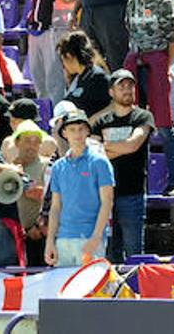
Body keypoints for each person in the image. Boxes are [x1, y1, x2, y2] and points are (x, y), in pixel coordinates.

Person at [121, 0, 174, 195]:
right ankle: (140, 183)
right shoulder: (132, 2)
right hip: (136, 63)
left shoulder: (165, 2)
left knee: (164, 125)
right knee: (137, 123)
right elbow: (130, 31)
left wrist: (167, 67)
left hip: (158, 63)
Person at [89, 69, 153, 261]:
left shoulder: (143, 116)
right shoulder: (100, 122)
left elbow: (133, 145)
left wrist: (105, 147)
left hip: (132, 193)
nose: (127, 90)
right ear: (111, 92)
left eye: (130, 85)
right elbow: (93, 154)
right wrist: (121, 147)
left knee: (134, 252)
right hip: (103, 194)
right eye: (121, 86)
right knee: (109, 252)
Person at [45, 107, 114, 266]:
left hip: (90, 239)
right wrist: (50, 241)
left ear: (88, 131)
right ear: (64, 133)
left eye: (81, 129)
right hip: (63, 239)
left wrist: (96, 237)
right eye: (72, 129)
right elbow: (55, 207)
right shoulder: (58, 167)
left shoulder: (100, 162)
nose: (77, 134)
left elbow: (107, 202)